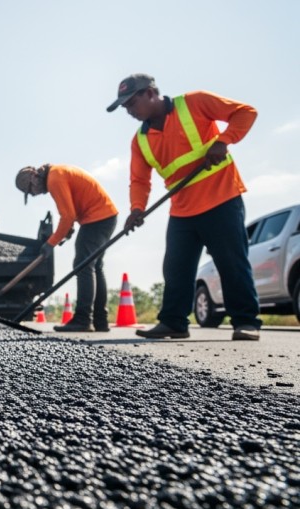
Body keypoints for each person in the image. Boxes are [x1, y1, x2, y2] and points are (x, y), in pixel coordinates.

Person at [107, 73, 260, 341]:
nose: (129, 110)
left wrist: (223, 141)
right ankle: (174, 323)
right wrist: (136, 208)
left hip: (221, 198)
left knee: (231, 263)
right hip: (182, 210)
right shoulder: (140, 140)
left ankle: (246, 322)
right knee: (176, 268)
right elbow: (139, 180)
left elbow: (245, 112)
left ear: (151, 93)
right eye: (125, 107)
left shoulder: (194, 102)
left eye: (131, 103)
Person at [16, 164, 118, 332]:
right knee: (95, 267)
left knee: (83, 265)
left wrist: (51, 242)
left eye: (31, 190)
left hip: (97, 219)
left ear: (34, 176)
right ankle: (100, 321)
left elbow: (67, 215)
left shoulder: (54, 178)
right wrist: (67, 229)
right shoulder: (57, 173)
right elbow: (70, 211)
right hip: (105, 216)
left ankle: (83, 319)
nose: (34, 194)